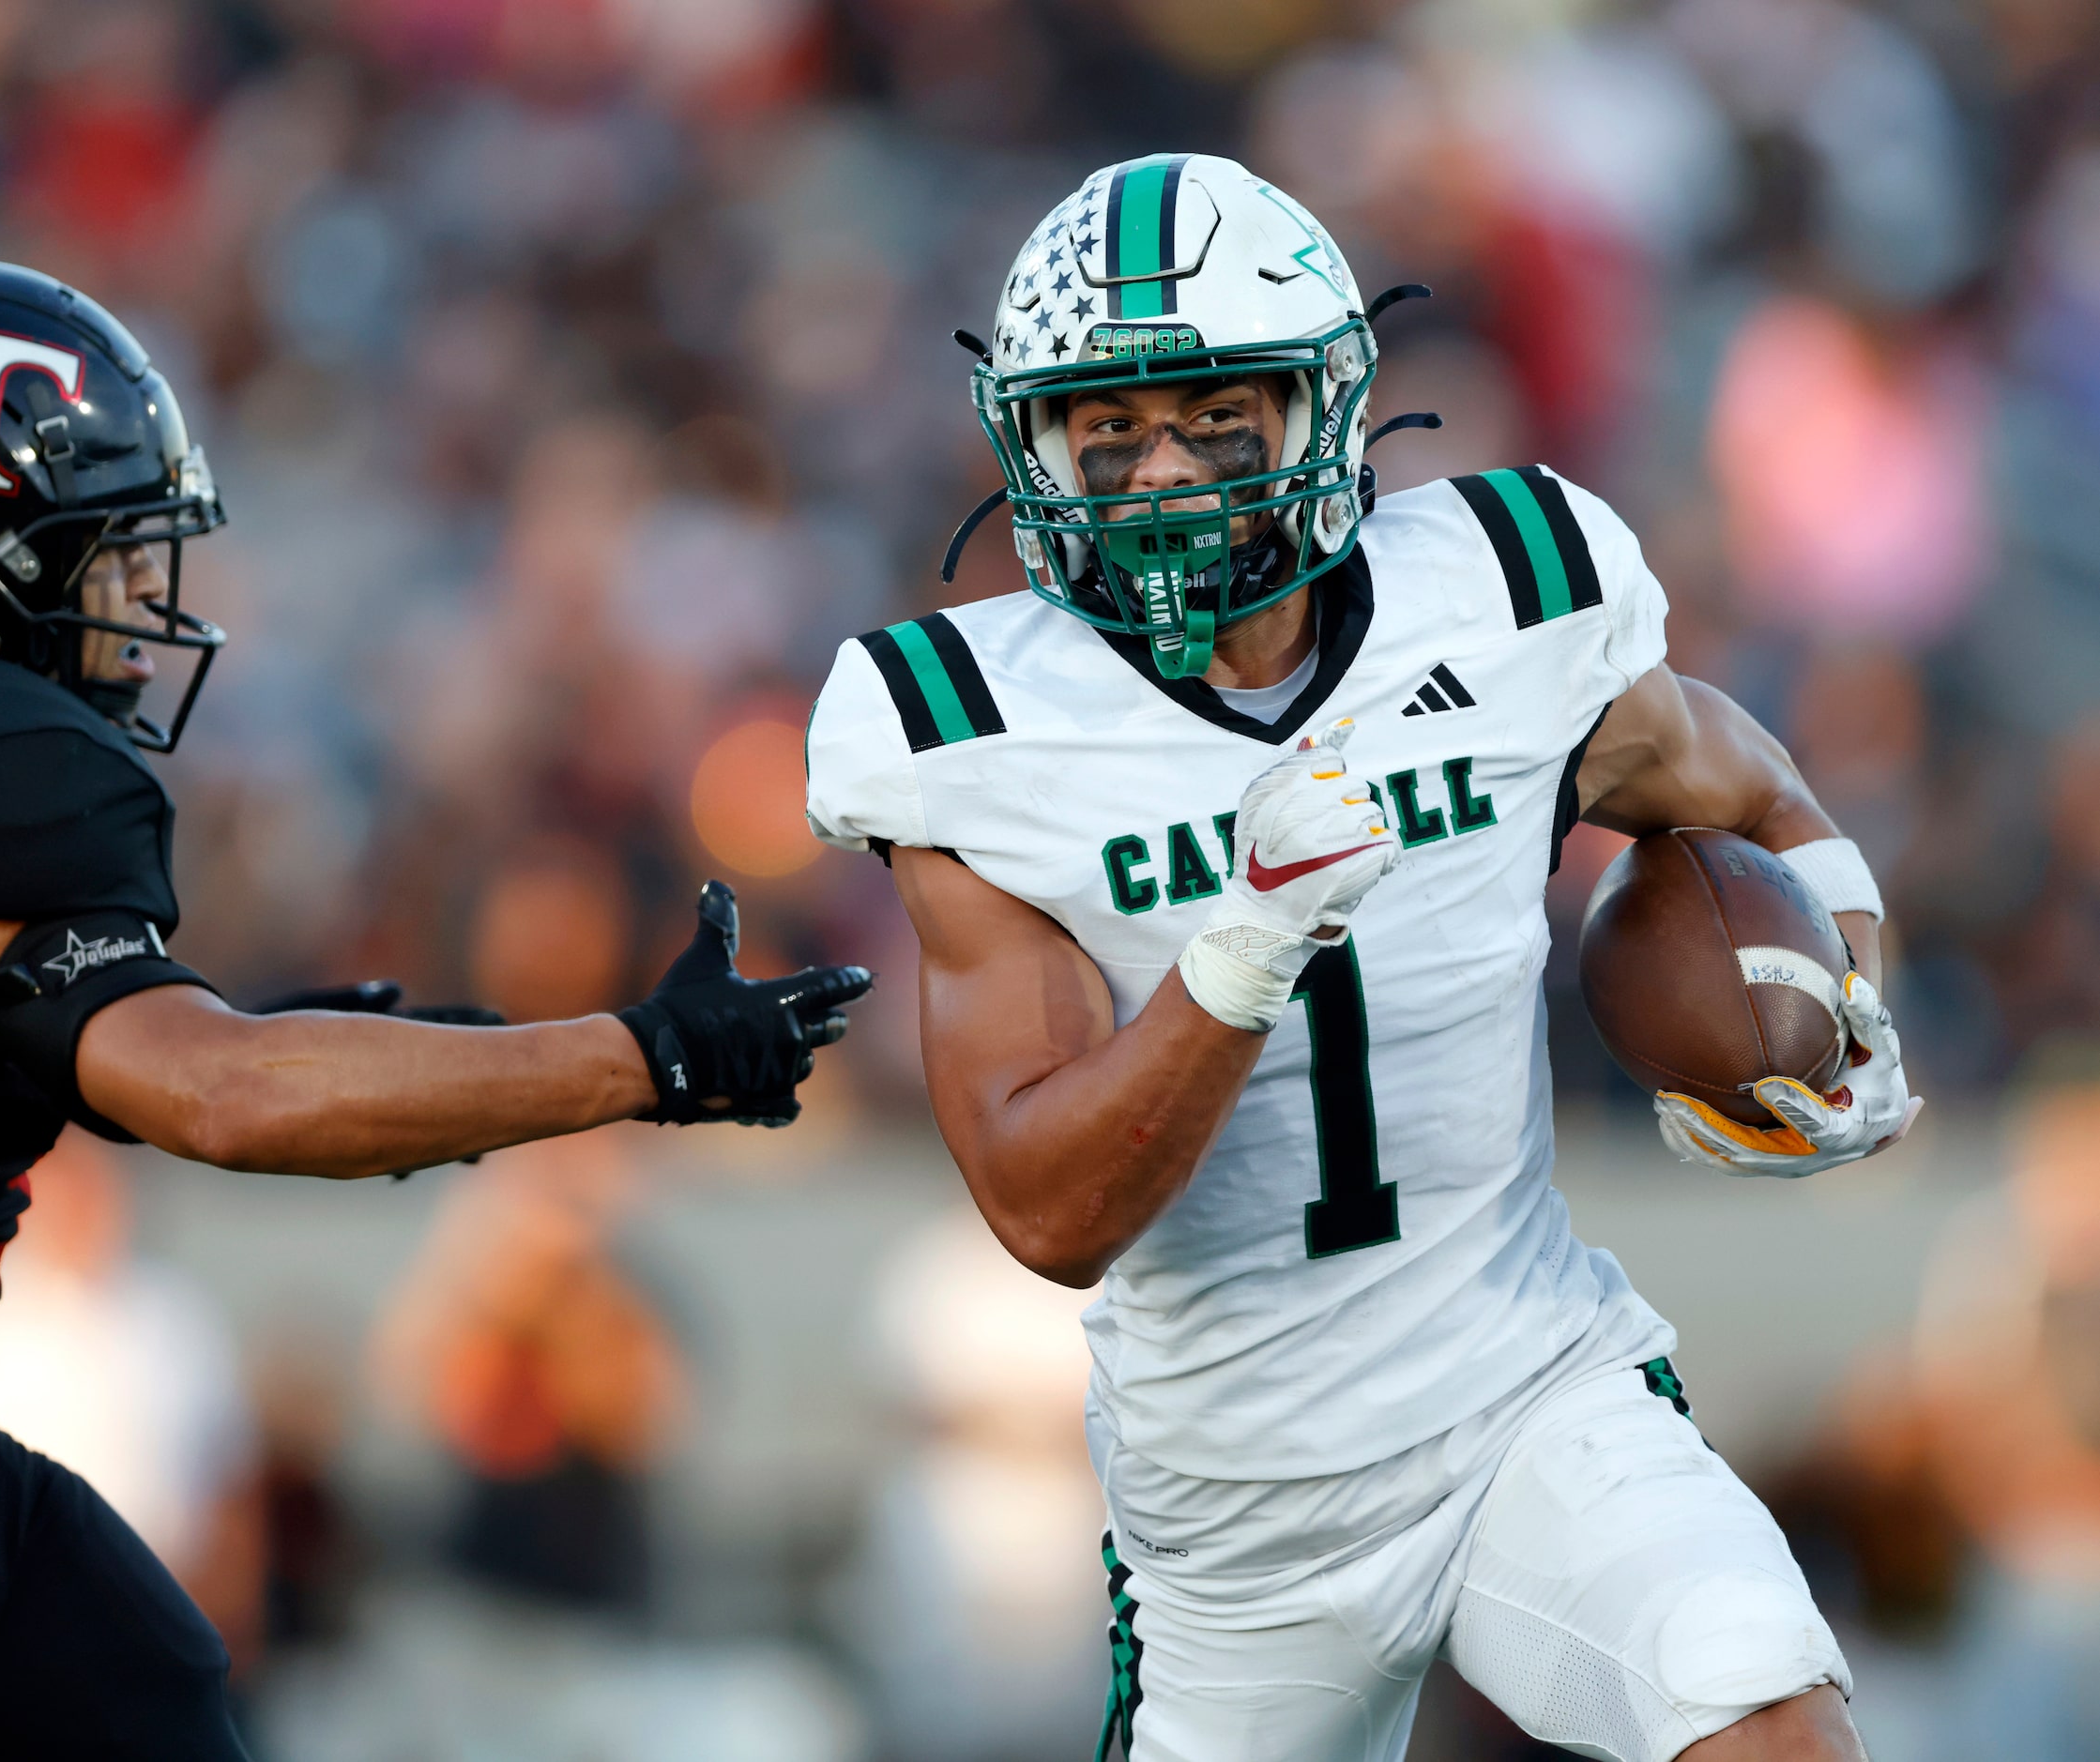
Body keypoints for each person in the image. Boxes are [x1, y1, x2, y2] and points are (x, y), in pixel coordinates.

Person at [0, 260, 870, 1762]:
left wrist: (377, 1051)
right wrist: (644, 1058)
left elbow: (13, 1047)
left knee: (156, 1692)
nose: (137, 603)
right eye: (96, 555)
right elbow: (224, 1093)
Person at [804, 155, 1914, 1762]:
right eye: (1105, 430)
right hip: (1237, 1522)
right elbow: (1049, 1209)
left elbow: (1742, 783)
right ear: (1030, 444)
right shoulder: (970, 726)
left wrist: (1848, 1006)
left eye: (1210, 416)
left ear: (1321, 408)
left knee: (1762, 1706)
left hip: (1528, 1393)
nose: (1161, 470)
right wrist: (1245, 944)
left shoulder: (1505, 589)